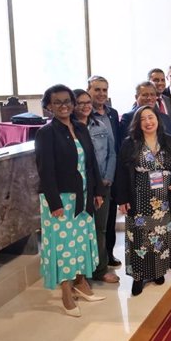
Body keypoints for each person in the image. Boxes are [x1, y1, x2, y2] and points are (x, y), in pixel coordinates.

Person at [35, 84, 106, 317]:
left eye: (67, 101)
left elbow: (91, 163)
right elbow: (45, 170)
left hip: (83, 196)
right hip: (60, 199)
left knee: (81, 241)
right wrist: (54, 203)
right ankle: (66, 292)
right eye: (58, 102)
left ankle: (81, 283)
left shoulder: (80, 127)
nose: (64, 106)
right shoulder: (46, 133)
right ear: (49, 107)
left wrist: (97, 191)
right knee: (64, 246)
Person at [115, 106, 171, 296]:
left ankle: (158, 271)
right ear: (137, 123)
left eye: (151, 117)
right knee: (139, 237)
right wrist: (122, 198)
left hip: (164, 199)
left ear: (158, 119)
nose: (148, 122)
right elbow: (121, 171)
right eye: (143, 119)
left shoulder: (170, 141)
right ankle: (138, 277)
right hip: (139, 197)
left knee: (162, 236)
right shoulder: (130, 143)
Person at [72, 89, 119, 284]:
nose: (85, 106)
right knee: (80, 229)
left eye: (87, 102)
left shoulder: (100, 126)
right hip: (78, 188)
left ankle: (100, 269)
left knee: (100, 228)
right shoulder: (68, 129)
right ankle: (79, 272)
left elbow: (112, 154)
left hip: (102, 187)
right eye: (80, 102)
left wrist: (107, 179)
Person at [86, 76, 122, 267]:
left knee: (108, 218)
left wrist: (111, 175)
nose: (101, 94)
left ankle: (108, 254)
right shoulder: (84, 114)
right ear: (89, 90)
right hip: (94, 175)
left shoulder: (112, 113)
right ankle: (93, 260)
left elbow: (114, 145)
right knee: (95, 221)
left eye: (104, 90)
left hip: (111, 172)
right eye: (97, 89)